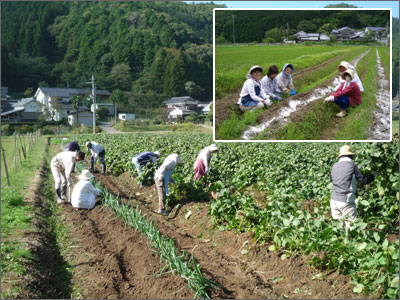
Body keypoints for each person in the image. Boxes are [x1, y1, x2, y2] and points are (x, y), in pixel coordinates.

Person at [330, 145, 374, 230]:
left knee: (338, 229)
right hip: (346, 201)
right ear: (351, 156)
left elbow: (332, 180)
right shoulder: (353, 166)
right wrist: (373, 175)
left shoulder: (334, 166)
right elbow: (364, 181)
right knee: (352, 228)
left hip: (333, 200)